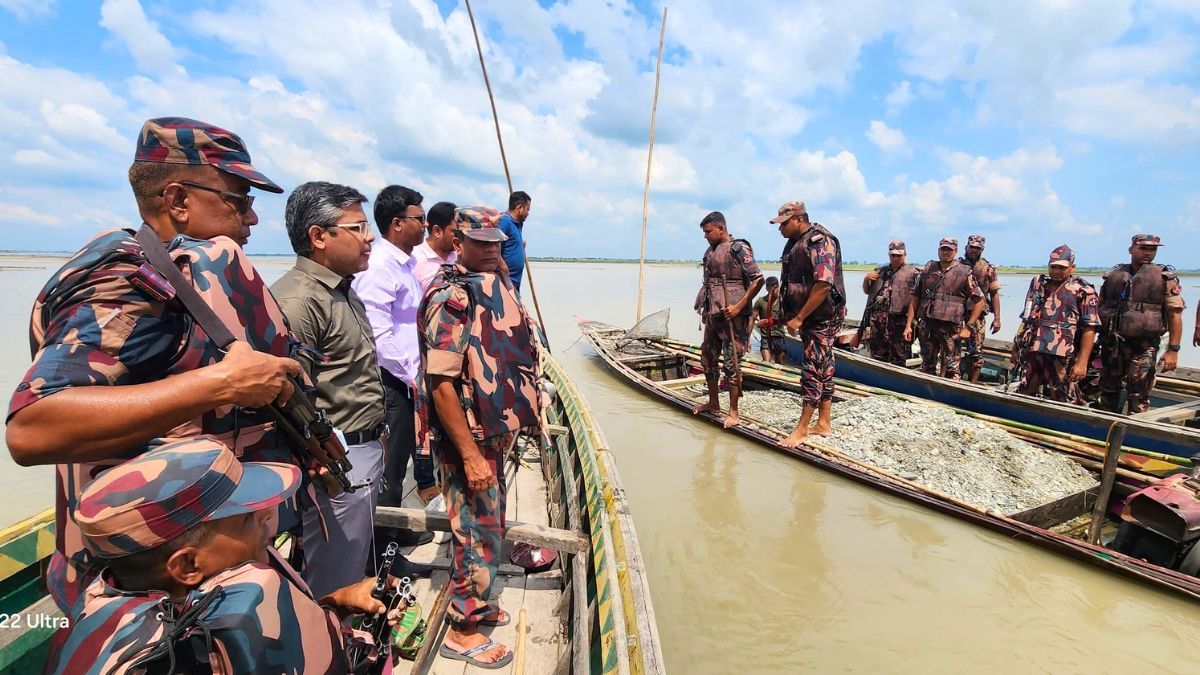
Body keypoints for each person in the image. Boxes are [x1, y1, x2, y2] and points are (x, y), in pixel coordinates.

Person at [6, 117, 303, 612]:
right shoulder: (125, 281)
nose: (252, 219)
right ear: (178, 200)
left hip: (195, 567)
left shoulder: (183, 274)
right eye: (239, 200)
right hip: (143, 587)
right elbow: (32, 429)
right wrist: (223, 383)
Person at [43, 438, 396, 674]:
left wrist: (336, 603)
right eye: (247, 518)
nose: (267, 518)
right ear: (187, 565)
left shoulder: (98, 601)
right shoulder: (232, 624)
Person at [416, 206, 542, 668]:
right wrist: (468, 455)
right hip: (466, 439)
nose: (492, 251)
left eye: (497, 243)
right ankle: (463, 630)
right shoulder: (452, 296)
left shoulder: (488, 284)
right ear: (458, 242)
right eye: (481, 243)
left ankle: (481, 603)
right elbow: (441, 384)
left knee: (488, 524)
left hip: (490, 433)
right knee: (472, 529)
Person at [271, 181, 397, 598]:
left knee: (351, 563)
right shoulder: (299, 302)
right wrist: (325, 468)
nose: (370, 238)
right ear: (319, 236)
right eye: (358, 228)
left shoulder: (342, 289)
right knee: (334, 587)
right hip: (334, 466)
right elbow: (288, 399)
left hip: (361, 452)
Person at [352, 185, 439, 564]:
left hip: (405, 379)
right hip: (390, 381)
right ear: (397, 223)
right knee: (388, 469)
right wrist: (413, 379)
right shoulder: (380, 268)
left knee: (400, 461)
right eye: (419, 219)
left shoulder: (403, 263)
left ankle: (395, 529)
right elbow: (379, 336)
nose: (425, 225)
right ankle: (382, 554)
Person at [772, 201, 846, 447]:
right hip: (810, 316)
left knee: (812, 370)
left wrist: (800, 317)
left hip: (821, 317)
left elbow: (824, 284)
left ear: (799, 220)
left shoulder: (819, 241)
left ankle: (802, 429)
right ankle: (823, 423)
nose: (780, 228)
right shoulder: (795, 242)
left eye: (784, 223)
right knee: (824, 366)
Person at [1096, 234, 1186, 413]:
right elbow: (1099, 307)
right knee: (1107, 390)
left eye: (1152, 249)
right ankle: (1103, 425)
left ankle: (1135, 426)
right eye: (1143, 248)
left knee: (1139, 394)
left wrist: (1173, 350)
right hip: (1112, 344)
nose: (1148, 253)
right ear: (1131, 249)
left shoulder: (1164, 278)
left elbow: (1175, 315)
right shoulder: (1114, 275)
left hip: (1144, 346)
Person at [691, 211, 764, 428]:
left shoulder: (738, 249)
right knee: (707, 358)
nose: (705, 236)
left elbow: (758, 279)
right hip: (714, 316)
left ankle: (733, 411)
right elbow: (708, 284)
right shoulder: (709, 252)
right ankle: (713, 402)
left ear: (721, 228)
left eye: (708, 232)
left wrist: (738, 306)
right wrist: (705, 310)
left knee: (732, 364)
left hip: (734, 318)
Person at [1012, 245, 1100, 403]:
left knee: (1063, 394)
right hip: (1033, 348)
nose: (1056, 271)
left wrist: (1082, 362)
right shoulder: (1038, 285)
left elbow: (1090, 328)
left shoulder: (1083, 290)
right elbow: (1026, 317)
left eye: (1062, 268)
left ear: (1072, 267)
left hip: (1062, 353)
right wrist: (1016, 345)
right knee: (1026, 389)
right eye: (1053, 267)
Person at [905, 237, 985, 380]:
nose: (946, 252)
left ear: (956, 251)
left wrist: (968, 327)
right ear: (938, 250)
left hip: (950, 328)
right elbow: (915, 298)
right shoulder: (928, 269)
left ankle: (951, 391)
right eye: (943, 249)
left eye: (949, 249)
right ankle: (926, 390)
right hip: (928, 325)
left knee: (951, 367)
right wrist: (908, 325)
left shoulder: (965, 272)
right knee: (927, 363)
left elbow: (980, 302)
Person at [852, 240, 919, 365]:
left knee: (898, 357)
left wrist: (909, 325)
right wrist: (866, 279)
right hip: (878, 322)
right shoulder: (880, 271)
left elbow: (915, 301)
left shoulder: (913, 273)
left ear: (905, 254)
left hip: (899, 322)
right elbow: (868, 292)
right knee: (877, 356)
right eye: (893, 255)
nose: (895, 258)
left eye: (898, 255)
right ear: (889, 255)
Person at [960, 235, 1002, 383]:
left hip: (977, 315)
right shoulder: (957, 265)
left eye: (977, 248)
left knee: (976, 351)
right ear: (966, 247)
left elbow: (994, 294)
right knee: (950, 347)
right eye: (972, 247)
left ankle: (973, 384)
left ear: (982, 250)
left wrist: (997, 319)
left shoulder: (987, 269)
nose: (974, 250)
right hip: (956, 313)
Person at [413, 201, 461, 290]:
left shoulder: (461, 256)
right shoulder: (414, 260)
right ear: (437, 231)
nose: (461, 237)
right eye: (456, 232)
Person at [498, 190, 532, 292]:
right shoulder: (505, 222)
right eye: (527, 209)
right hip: (506, 281)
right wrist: (503, 266)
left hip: (515, 281)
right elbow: (494, 246)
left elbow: (510, 242)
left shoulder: (518, 223)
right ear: (519, 207)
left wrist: (520, 245)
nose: (528, 213)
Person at [751, 277, 785, 363]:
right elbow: (752, 319)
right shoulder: (760, 301)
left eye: (776, 287)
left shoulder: (783, 301)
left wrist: (772, 321)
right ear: (767, 288)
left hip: (779, 336)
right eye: (771, 288)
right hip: (766, 338)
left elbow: (788, 319)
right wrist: (747, 340)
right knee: (766, 363)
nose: (775, 291)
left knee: (779, 365)